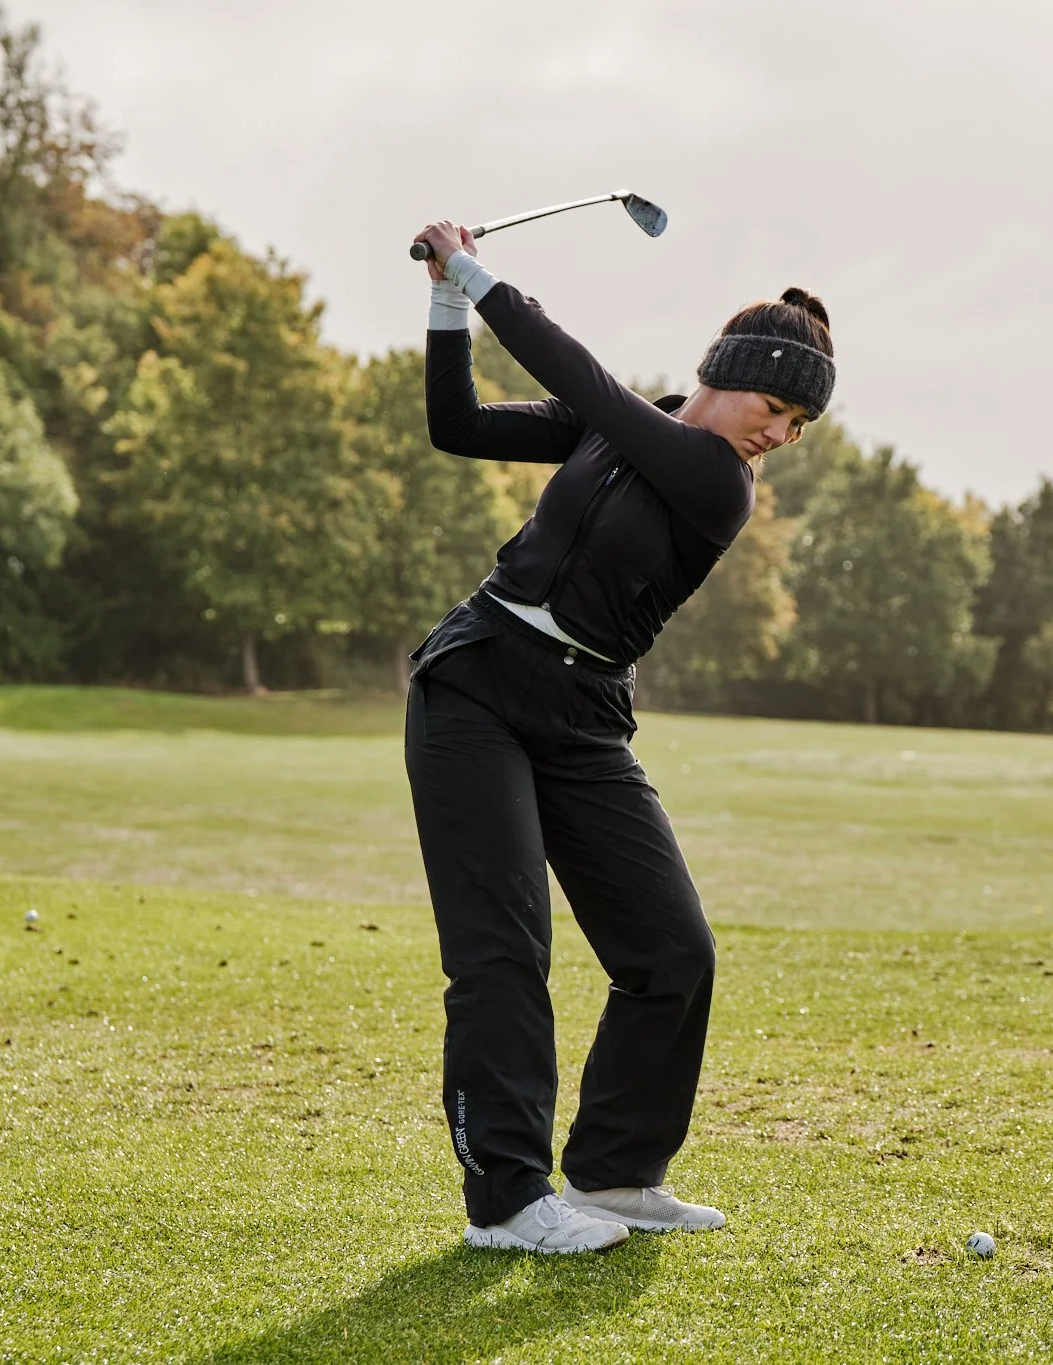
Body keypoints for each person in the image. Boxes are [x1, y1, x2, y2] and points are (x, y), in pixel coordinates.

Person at [404, 219, 836, 1254]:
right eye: (774, 407)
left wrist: (472, 266)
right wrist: (446, 302)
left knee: (670, 951)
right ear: (727, 376)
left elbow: (586, 384)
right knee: (504, 950)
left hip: (583, 717)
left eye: (797, 426)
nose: (777, 435)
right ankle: (506, 1203)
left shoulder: (714, 480)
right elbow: (456, 425)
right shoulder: (627, 427)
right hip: (473, 683)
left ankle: (614, 1173)